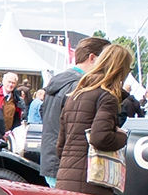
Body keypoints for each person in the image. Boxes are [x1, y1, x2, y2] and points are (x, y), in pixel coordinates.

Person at [56, 44, 133, 195]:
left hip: (64, 179)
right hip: (92, 183)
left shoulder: (74, 95)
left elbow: (60, 147)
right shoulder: (107, 97)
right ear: (121, 70)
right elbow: (100, 138)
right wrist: (122, 137)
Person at [40, 36, 109, 186]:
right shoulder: (80, 86)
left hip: (52, 159)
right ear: (92, 58)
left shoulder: (57, 81)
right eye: (105, 60)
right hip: (69, 164)